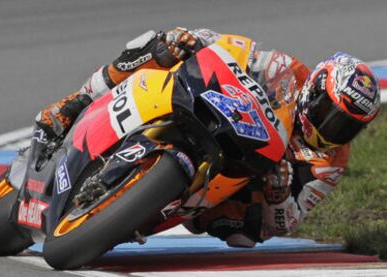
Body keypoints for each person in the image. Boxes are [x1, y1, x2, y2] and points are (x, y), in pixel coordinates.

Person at [35, 27, 381, 247]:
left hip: (239, 177)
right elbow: (232, 48)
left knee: (243, 235)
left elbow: (288, 222)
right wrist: (195, 40)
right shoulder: (286, 70)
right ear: (315, 90)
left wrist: (278, 196)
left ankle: (142, 209)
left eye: (345, 126)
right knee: (161, 46)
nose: (332, 129)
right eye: (329, 115)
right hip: (215, 112)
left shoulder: (330, 164)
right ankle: (75, 102)